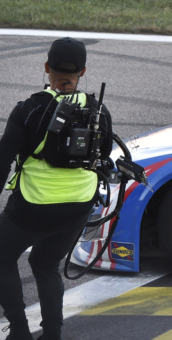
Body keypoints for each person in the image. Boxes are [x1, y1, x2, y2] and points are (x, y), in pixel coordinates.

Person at [0, 38, 112, 340]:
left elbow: (3, 159)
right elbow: (104, 155)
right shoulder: (99, 111)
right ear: (83, 71)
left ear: (47, 67)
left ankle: (19, 331)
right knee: (45, 264)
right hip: (79, 205)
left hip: (32, 206)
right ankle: (52, 333)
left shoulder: (29, 109)